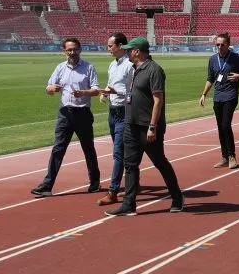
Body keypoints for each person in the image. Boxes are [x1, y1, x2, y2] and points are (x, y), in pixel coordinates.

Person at [106, 37, 184, 216]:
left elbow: (158, 101)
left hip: (147, 127)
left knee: (160, 162)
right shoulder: (134, 69)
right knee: (130, 165)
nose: (126, 52)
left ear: (137, 51)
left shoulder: (154, 70)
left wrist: (152, 126)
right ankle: (129, 204)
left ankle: (177, 197)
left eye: (129, 50)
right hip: (130, 125)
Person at [31, 37, 102, 197]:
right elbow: (49, 87)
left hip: (82, 113)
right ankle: (47, 185)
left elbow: (96, 90)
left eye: (75, 49)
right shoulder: (60, 68)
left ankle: (95, 183)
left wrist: (83, 93)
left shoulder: (89, 67)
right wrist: (51, 89)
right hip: (65, 113)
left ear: (80, 50)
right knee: (58, 149)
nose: (72, 53)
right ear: (64, 52)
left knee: (88, 149)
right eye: (69, 50)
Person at [200, 33, 239, 169]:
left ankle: (232, 155)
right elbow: (210, 78)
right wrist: (204, 94)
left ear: (228, 44)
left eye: (223, 44)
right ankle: (224, 156)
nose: (220, 47)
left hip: (231, 95)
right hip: (218, 96)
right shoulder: (212, 59)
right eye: (218, 44)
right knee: (220, 128)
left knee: (225, 126)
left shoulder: (236, 58)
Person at [96, 32, 134, 206]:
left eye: (111, 46)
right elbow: (112, 83)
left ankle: (113, 191)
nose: (108, 49)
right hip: (112, 112)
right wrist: (105, 92)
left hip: (124, 112)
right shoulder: (112, 64)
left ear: (120, 46)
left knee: (118, 152)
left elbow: (134, 91)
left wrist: (116, 92)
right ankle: (133, 182)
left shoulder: (130, 65)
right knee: (121, 152)